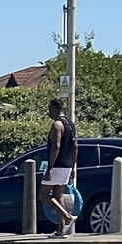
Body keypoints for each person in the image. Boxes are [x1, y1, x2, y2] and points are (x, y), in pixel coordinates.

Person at [40, 97, 78, 236]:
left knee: (44, 195)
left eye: (50, 109)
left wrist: (50, 168)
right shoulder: (71, 125)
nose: (49, 112)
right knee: (58, 195)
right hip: (67, 166)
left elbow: (56, 147)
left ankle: (67, 216)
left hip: (57, 166)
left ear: (55, 109)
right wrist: (73, 167)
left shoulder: (57, 125)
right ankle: (61, 231)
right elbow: (75, 146)